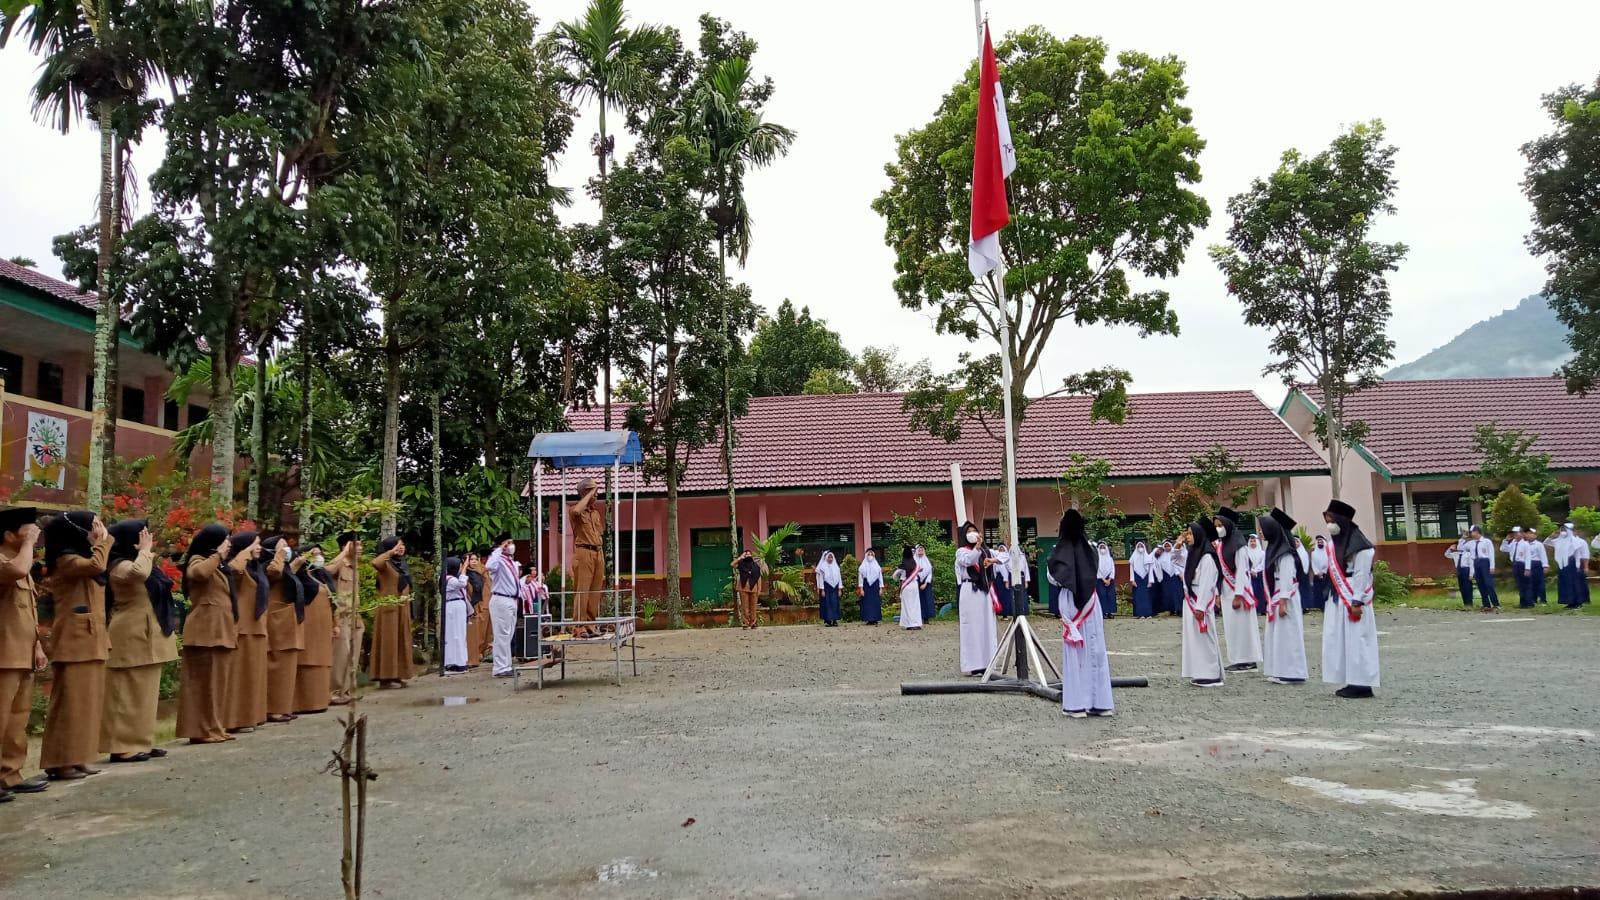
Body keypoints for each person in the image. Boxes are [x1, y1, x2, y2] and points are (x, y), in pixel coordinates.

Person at [40, 510, 113, 780]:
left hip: (91, 637)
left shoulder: (84, 556)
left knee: (87, 704)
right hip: (74, 638)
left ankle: (78, 756)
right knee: (70, 704)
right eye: (92, 525)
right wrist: (103, 541)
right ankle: (60, 761)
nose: (97, 529)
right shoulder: (67, 559)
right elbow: (97, 567)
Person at [102, 519, 177, 762]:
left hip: (148, 632)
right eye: (142, 535)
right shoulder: (117, 565)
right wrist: (145, 551)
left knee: (145, 692)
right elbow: (138, 574)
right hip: (130, 633)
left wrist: (145, 553)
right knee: (126, 693)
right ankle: (122, 745)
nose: (148, 538)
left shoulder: (141, 561)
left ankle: (141, 740)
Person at [176, 525, 248, 744]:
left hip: (220, 631)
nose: (228, 544)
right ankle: (201, 729)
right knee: (204, 684)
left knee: (217, 684)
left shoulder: (220, 565)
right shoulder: (198, 559)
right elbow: (198, 573)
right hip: (205, 632)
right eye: (224, 540)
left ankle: (215, 726)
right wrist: (218, 555)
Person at [0, 508, 49, 800]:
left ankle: (10, 774)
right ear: (8, 535)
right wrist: (29, 544)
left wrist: (38, 645)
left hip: (23, 653)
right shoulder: (9, 562)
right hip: (4, 654)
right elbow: (16, 570)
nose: (35, 535)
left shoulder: (23, 564)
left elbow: (27, 614)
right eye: (28, 530)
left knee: (17, 720)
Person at [1050, 511, 1113, 717]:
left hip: (1070, 600)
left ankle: (1077, 704)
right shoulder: (1092, 549)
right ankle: (1099, 703)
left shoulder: (1058, 552)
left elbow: (1053, 579)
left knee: (1075, 650)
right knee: (1095, 648)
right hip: (1091, 601)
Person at [1322, 500, 1380, 699]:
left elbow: (1361, 576)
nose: (1328, 524)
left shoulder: (1362, 546)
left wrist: (1356, 602)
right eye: (1326, 520)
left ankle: (1362, 684)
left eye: (1331, 520)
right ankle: (1352, 680)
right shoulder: (1334, 544)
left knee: (1358, 640)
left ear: (1341, 520)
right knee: (1343, 640)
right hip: (1339, 597)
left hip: (1355, 598)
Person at [224, 529, 269, 733]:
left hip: (256, 626)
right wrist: (245, 551)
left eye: (258, 544)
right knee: (240, 676)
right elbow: (233, 569)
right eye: (255, 544)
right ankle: (235, 719)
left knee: (253, 676)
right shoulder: (239, 566)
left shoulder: (256, 568)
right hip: (243, 627)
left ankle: (252, 716)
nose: (258, 547)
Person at [1259, 510, 1308, 685]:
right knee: (1278, 635)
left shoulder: (1285, 553)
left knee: (1288, 634)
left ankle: (1293, 672)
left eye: (1263, 529)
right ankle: (1280, 669)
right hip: (1278, 593)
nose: (1260, 532)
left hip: (1285, 595)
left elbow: (1287, 576)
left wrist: (1283, 601)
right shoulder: (1274, 549)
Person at [1212, 507, 1262, 671]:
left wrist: (1238, 594)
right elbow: (1220, 571)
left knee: (1243, 626)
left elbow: (1242, 571)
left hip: (1239, 591)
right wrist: (1218, 593)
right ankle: (1237, 658)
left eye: (1220, 525)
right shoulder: (1221, 545)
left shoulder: (1239, 545)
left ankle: (1248, 659)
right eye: (1216, 525)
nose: (1218, 528)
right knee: (1232, 626)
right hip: (1226, 590)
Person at [261, 537, 304, 724]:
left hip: (287, 619)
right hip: (276, 619)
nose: (286, 548)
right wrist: (278, 555)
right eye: (281, 545)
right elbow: (274, 572)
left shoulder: (284, 566)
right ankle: (272, 709)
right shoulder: (267, 565)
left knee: (286, 667)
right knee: (276, 666)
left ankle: (283, 706)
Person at [1180, 519, 1224, 687]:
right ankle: (1200, 671)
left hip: (1200, 602)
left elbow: (1207, 583)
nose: (1188, 537)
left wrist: (1200, 606)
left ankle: (1211, 673)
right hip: (1191, 599)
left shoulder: (1207, 557)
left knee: (1205, 637)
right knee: (1195, 639)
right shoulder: (1194, 553)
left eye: (1190, 533)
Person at [293, 548, 335, 714]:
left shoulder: (319, 576)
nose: (318, 557)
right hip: (308, 625)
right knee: (308, 661)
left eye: (319, 554)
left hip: (323, 627)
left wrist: (334, 623)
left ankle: (319, 701)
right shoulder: (299, 577)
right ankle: (303, 702)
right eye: (313, 554)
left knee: (321, 662)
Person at [324, 533, 364, 704]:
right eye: (357, 545)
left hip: (355, 615)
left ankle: (346, 691)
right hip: (341, 616)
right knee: (341, 654)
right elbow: (325, 572)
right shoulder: (340, 563)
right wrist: (343, 554)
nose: (361, 548)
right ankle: (333, 691)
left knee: (353, 656)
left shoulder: (355, 566)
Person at [954, 522, 999, 675]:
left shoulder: (987, 551)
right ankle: (973, 664)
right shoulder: (961, 551)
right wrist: (977, 548)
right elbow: (968, 561)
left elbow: (1004, 557)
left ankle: (988, 662)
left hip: (984, 591)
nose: (972, 533)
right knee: (972, 627)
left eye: (975, 531)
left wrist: (993, 559)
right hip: (969, 590)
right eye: (969, 531)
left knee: (986, 625)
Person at [369, 535, 413, 688]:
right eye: (397, 545)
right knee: (388, 642)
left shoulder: (401, 564)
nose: (401, 547)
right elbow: (375, 562)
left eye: (402, 545)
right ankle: (384, 678)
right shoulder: (386, 564)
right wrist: (390, 552)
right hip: (389, 609)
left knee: (400, 640)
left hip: (402, 607)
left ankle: (397, 674)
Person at [568, 479, 606, 632]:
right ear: (584, 492)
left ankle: (590, 622)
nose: (596, 494)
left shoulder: (595, 513)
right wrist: (590, 493)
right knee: (582, 590)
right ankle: (579, 625)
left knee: (595, 590)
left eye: (596, 491)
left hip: (598, 552)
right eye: (592, 491)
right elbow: (577, 511)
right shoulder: (574, 510)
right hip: (584, 552)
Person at [484, 536, 520, 676]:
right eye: (508, 543)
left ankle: (506, 665)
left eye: (512, 542)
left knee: (508, 634)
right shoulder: (497, 559)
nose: (511, 545)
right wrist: (499, 549)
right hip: (501, 599)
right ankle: (500, 668)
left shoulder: (510, 561)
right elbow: (489, 566)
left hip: (512, 600)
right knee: (501, 635)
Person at [440, 557, 470, 673]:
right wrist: (465, 568)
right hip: (454, 606)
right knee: (456, 634)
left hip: (456, 606)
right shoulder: (450, 579)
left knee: (458, 634)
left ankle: (458, 661)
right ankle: (456, 662)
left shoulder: (449, 578)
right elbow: (462, 583)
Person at [1466, 525, 1500, 611]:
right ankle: (1486, 604)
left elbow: (1491, 554)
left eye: (1472, 532)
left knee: (1489, 584)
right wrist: (1464, 538)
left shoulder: (1486, 541)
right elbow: (1461, 547)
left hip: (1485, 562)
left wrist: (1492, 566)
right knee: (1480, 584)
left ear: (1477, 532)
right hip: (1476, 562)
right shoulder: (1471, 543)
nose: (1471, 534)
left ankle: (1495, 603)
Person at [734, 551, 764, 630]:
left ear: (752, 556)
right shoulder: (741, 565)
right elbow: (732, 564)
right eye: (746, 554)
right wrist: (740, 558)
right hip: (743, 588)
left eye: (749, 554)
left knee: (753, 607)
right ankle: (745, 623)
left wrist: (759, 589)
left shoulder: (756, 566)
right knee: (745, 607)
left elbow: (758, 578)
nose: (748, 555)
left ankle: (753, 623)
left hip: (754, 588)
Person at [894, 546, 922, 630]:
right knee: (915, 604)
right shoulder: (915, 563)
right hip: (914, 585)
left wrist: (898, 574)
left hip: (906, 586)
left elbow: (894, 576)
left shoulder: (902, 564)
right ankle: (916, 623)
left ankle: (909, 624)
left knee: (907, 605)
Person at [1444, 536, 1476, 606]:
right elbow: (1446, 555)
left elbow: (1471, 565)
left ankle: (1470, 603)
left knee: (1468, 587)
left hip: (1466, 570)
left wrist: (1471, 574)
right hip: (1459, 571)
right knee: (1462, 587)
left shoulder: (1468, 553)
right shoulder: (1456, 554)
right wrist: (1450, 548)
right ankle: (1465, 603)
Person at [815, 551, 843, 626]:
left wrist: (840, 589)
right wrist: (822, 590)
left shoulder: (836, 567)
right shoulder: (822, 568)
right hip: (826, 587)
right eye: (829, 557)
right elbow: (821, 579)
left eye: (831, 557)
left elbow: (839, 578)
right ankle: (827, 621)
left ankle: (834, 620)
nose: (830, 559)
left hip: (835, 588)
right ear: (826, 558)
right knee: (827, 604)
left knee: (834, 603)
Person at [858, 548, 883, 625]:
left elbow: (880, 578)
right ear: (866, 555)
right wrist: (861, 589)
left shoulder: (877, 567)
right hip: (866, 586)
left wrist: (881, 588)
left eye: (871, 554)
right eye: (868, 554)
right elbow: (860, 579)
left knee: (875, 602)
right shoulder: (862, 567)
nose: (870, 556)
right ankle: (868, 619)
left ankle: (875, 618)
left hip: (875, 586)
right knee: (867, 603)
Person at [1523, 529, 1549, 607]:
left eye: (1532, 534)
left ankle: (1543, 600)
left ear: (1535, 535)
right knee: (1530, 583)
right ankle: (1533, 599)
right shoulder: (1524, 544)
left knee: (1540, 583)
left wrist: (1545, 565)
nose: (1530, 535)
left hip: (1537, 564)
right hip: (1527, 564)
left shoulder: (1539, 544)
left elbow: (1543, 555)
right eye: (1528, 534)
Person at [1502, 527, 1528, 605]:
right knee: (1519, 584)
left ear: (1522, 534)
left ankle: (1528, 602)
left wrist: (1527, 568)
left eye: (1517, 532)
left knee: (1525, 584)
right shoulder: (1513, 542)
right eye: (1514, 533)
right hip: (1515, 564)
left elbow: (1528, 557)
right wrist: (1506, 540)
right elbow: (1503, 549)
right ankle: (1522, 602)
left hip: (1522, 564)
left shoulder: (1525, 544)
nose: (1515, 534)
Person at [1129, 541, 1154, 619]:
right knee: (1138, 597)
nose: (1140, 548)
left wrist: (1150, 581)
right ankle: (1140, 614)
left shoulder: (1148, 558)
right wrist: (1132, 580)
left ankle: (1148, 613)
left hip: (1146, 579)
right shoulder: (1133, 558)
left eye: (1142, 546)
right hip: (1137, 579)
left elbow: (1150, 570)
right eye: (1139, 546)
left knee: (1147, 597)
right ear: (1136, 548)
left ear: (1144, 547)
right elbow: (1131, 570)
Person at [1246, 533, 1269, 617]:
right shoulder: (1246, 553)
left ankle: (1261, 609)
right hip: (1249, 574)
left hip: (1259, 574)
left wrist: (1256, 570)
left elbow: (1263, 564)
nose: (1252, 543)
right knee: (1252, 591)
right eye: (1251, 541)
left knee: (1260, 591)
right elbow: (1246, 564)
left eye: (1254, 541)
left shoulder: (1262, 553)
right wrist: (1251, 570)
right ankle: (1253, 609)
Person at [1093, 542, 1116, 618]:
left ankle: (1110, 612)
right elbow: (1097, 570)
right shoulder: (1097, 559)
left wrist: (1109, 579)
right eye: (1101, 548)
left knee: (1110, 595)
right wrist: (1104, 580)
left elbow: (1113, 569)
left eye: (1104, 547)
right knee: (1101, 595)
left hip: (1110, 580)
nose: (1102, 549)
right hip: (1100, 580)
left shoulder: (1110, 559)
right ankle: (1102, 612)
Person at [1164, 540, 1187, 616]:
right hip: (1177, 576)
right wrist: (1179, 574)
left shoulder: (1186, 552)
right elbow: (1173, 564)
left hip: (1186, 574)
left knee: (1185, 593)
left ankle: (1186, 609)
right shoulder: (1175, 553)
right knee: (1178, 593)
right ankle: (1179, 610)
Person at [914, 545, 936, 623]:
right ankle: (918, 617)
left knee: (927, 599)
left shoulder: (927, 561)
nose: (920, 550)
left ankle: (926, 617)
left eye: (922, 549)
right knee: (917, 600)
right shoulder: (913, 561)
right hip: (915, 582)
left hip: (926, 583)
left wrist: (925, 583)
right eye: (919, 549)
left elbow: (929, 573)